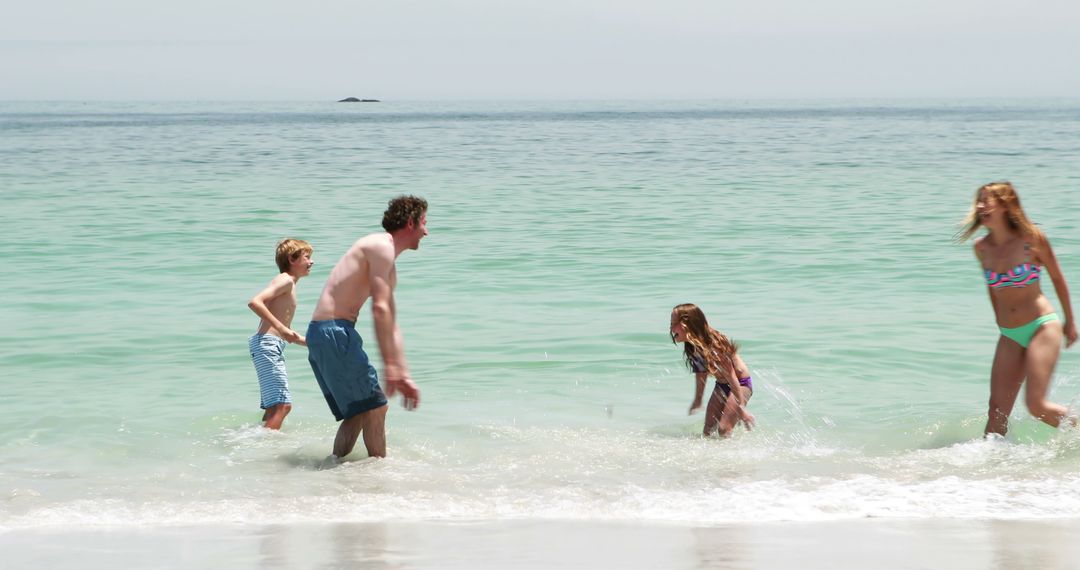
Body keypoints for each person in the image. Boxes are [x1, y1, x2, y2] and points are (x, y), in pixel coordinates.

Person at [306, 195, 427, 459]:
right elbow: (379, 308)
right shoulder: (380, 246)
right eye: (424, 223)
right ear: (410, 223)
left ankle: (333, 468)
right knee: (376, 407)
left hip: (329, 333)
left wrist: (402, 370)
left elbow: (391, 323)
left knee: (362, 410)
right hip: (333, 331)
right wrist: (391, 367)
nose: (426, 232)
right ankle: (377, 479)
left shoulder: (386, 263)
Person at [959, 181, 1078, 437]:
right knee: (996, 411)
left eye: (986, 201)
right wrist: (999, 321)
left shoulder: (1031, 239)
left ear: (1005, 205)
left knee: (1036, 405)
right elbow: (993, 288)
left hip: (1042, 327)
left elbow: (1057, 277)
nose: (980, 206)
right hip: (1010, 334)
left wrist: (1070, 321)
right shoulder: (982, 248)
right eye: (978, 201)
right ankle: (990, 469)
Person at [247, 238, 314, 430]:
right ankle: (263, 447)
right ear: (292, 259)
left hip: (267, 344)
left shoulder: (289, 284)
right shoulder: (285, 280)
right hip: (268, 344)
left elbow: (288, 334)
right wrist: (282, 328)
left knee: (273, 408)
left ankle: (254, 443)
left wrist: (316, 343)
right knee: (283, 406)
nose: (311, 262)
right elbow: (255, 302)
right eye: (307, 257)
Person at [669, 303, 755, 437]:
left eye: (674, 323)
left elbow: (732, 377)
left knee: (723, 429)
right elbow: (701, 373)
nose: (671, 328)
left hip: (740, 384)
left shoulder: (714, 345)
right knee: (708, 431)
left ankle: (733, 455)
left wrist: (741, 409)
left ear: (688, 324)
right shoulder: (694, 345)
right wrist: (698, 399)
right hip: (722, 385)